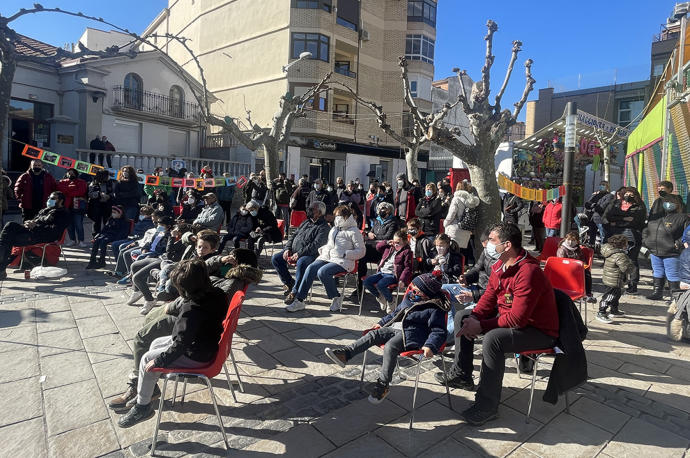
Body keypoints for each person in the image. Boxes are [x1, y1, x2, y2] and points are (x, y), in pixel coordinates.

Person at [435, 222, 559, 426]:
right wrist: (474, 317)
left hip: (537, 330)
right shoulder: (500, 265)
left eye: (492, 241)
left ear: (507, 245)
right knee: (463, 317)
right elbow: (489, 297)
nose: (487, 245)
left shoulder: (528, 272)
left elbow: (517, 319)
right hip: (511, 318)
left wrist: (482, 326)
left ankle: (487, 405)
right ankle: (462, 374)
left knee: (493, 339)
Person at [117, 259, 228, 428]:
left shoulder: (191, 309)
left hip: (197, 355)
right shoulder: (218, 293)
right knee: (155, 343)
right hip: (206, 343)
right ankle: (150, 386)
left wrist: (160, 361)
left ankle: (143, 406)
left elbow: (181, 344)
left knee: (147, 359)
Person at [324, 273, 449, 404]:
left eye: (416, 289)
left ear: (426, 293)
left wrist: (430, 345)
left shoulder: (435, 308)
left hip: (411, 335)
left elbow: (438, 330)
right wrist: (382, 322)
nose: (412, 289)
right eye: (413, 286)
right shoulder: (411, 298)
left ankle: (383, 385)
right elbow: (395, 313)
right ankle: (346, 354)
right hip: (395, 327)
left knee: (390, 347)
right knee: (373, 334)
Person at [285, 205, 365, 313]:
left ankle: (336, 297)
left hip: (344, 260)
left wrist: (345, 254)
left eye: (338, 216)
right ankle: (299, 300)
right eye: (335, 216)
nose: (336, 218)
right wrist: (324, 249)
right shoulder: (334, 229)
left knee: (322, 272)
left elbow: (361, 251)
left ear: (346, 217)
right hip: (329, 257)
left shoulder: (354, 231)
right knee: (311, 268)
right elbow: (330, 244)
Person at [0, 191, 70, 279]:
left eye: (52, 199)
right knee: (10, 226)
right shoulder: (46, 210)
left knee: (8, 240)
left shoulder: (63, 213)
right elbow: (37, 220)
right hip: (33, 231)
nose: (49, 200)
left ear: (60, 201)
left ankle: (1, 268)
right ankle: (1, 267)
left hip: (43, 237)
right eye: (49, 198)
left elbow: (53, 231)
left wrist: (35, 226)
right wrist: (30, 222)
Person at [643, 198, 689, 300]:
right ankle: (657, 292)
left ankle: (675, 297)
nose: (668, 204)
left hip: (671, 252)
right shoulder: (655, 217)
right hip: (655, 250)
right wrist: (646, 241)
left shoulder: (683, 218)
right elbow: (646, 230)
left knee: (672, 273)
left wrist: (678, 243)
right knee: (657, 271)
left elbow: (687, 233)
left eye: (671, 202)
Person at [603, 187, 646, 293]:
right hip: (615, 236)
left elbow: (636, 221)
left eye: (632, 195)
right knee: (615, 259)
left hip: (632, 235)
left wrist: (616, 220)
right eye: (627, 194)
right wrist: (623, 218)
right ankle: (616, 283)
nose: (628, 196)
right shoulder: (615, 203)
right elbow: (606, 218)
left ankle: (633, 284)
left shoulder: (639, 206)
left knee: (632, 260)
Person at [363, 229, 413, 313]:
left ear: (404, 242)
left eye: (398, 242)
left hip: (392, 274)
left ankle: (390, 300)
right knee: (367, 282)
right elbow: (378, 247)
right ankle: (380, 297)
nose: (395, 244)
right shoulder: (390, 247)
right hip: (381, 272)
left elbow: (408, 268)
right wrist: (386, 242)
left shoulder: (407, 252)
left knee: (381, 284)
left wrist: (402, 280)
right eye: (394, 241)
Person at [597, 234, 635, 323]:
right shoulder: (620, 255)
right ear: (621, 245)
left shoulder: (610, 250)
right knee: (609, 297)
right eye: (626, 244)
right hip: (614, 280)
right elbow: (626, 268)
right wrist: (631, 264)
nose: (627, 245)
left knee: (616, 296)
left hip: (610, 278)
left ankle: (614, 310)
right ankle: (601, 312)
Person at [86, 205, 130, 270]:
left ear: (120, 213)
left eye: (115, 212)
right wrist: (98, 235)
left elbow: (123, 233)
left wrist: (115, 240)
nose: (113, 214)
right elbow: (104, 229)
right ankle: (92, 260)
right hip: (107, 235)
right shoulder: (111, 219)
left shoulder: (125, 222)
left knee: (103, 242)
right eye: (112, 212)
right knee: (97, 241)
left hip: (115, 236)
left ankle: (102, 261)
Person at [556, 231, 595, 302]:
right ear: (565, 239)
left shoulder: (577, 248)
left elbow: (582, 258)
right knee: (584, 274)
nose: (570, 242)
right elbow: (561, 263)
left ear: (577, 241)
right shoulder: (562, 249)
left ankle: (588, 294)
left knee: (587, 273)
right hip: (566, 269)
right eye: (569, 240)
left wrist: (584, 264)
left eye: (573, 240)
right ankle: (582, 293)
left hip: (576, 268)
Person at [57, 168, 88, 247]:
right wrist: (73, 191)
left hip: (78, 206)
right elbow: (61, 191)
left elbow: (81, 191)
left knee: (79, 224)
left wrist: (68, 192)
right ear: (66, 174)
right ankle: (72, 240)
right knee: (69, 225)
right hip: (66, 206)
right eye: (69, 173)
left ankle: (81, 241)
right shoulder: (62, 182)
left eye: (73, 173)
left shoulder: (82, 182)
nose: (71, 175)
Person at [444, 183, 480, 250]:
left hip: (454, 229)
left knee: (453, 253)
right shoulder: (472, 201)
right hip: (466, 229)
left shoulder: (456, 199)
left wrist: (445, 223)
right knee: (463, 254)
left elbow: (451, 214)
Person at [87, 169, 115, 235]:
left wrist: (109, 196)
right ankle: (96, 236)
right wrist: (98, 194)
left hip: (107, 205)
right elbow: (90, 194)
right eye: (106, 176)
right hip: (96, 205)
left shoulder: (110, 183)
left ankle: (107, 235)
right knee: (96, 222)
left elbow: (114, 193)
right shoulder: (93, 183)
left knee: (107, 221)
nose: (108, 177)